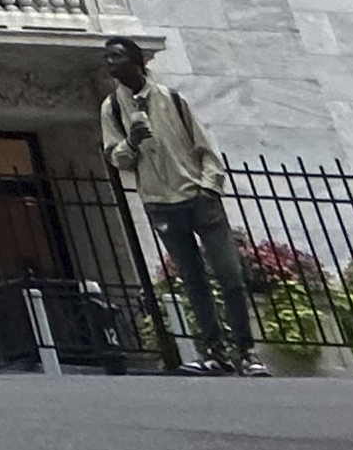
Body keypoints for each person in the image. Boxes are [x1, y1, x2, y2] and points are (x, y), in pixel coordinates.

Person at [101, 35, 264, 375]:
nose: (110, 63)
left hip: (197, 198)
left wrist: (210, 190)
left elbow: (206, 148)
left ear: (137, 61)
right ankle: (213, 352)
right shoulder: (113, 108)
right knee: (193, 280)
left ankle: (247, 352)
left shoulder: (172, 100)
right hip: (160, 203)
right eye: (107, 57)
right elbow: (117, 158)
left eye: (116, 56)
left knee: (230, 275)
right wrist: (130, 143)